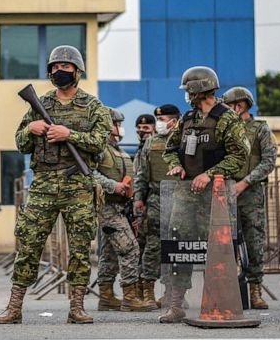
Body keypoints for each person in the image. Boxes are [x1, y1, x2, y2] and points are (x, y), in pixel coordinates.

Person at [0, 45, 111, 324]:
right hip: (44, 183)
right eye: (55, 68)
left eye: (65, 67)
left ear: (77, 71)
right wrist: (29, 130)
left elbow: (100, 143)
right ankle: (14, 307)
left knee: (80, 247)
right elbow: (21, 144)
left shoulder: (93, 106)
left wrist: (69, 134)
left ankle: (77, 307)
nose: (60, 71)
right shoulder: (40, 104)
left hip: (78, 184)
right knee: (29, 244)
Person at [159, 67, 250, 323]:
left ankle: (222, 299)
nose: (186, 95)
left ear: (199, 90)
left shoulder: (227, 119)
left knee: (219, 248)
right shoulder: (188, 118)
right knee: (181, 247)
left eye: (188, 90)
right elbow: (171, 148)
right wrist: (175, 164)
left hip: (217, 197)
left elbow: (239, 156)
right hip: (185, 194)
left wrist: (209, 174)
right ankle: (176, 304)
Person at [222, 86, 278, 310]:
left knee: (254, 240)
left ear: (240, 105)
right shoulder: (224, 130)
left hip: (251, 193)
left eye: (228, 106)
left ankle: (255, 289)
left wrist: (244, 183)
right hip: (224, 191)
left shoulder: (260, 129)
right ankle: (227, 288)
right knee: (225, 242)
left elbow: (269, 161)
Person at [94, 108, 147, 311]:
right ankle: (130, 296)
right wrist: (113, 186)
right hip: (107, 207)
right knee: (130, 248)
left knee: (109, 253)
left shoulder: (117, 149)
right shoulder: (99, 149)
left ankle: (106, 296)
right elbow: (89, 173)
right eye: (117, 123)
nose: (120, 127)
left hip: (120, 207)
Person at [132, 104, 180, 311]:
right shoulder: (151, 143)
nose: (160, 123)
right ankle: (148, 292)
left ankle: (174, 293)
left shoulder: (184, 140)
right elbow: (142, 174)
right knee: (153, 247)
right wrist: (138, 198)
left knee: (178, 248)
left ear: (175, 120)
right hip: (156, 200)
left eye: (164, 119)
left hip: (181, 199)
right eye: (158, 119)